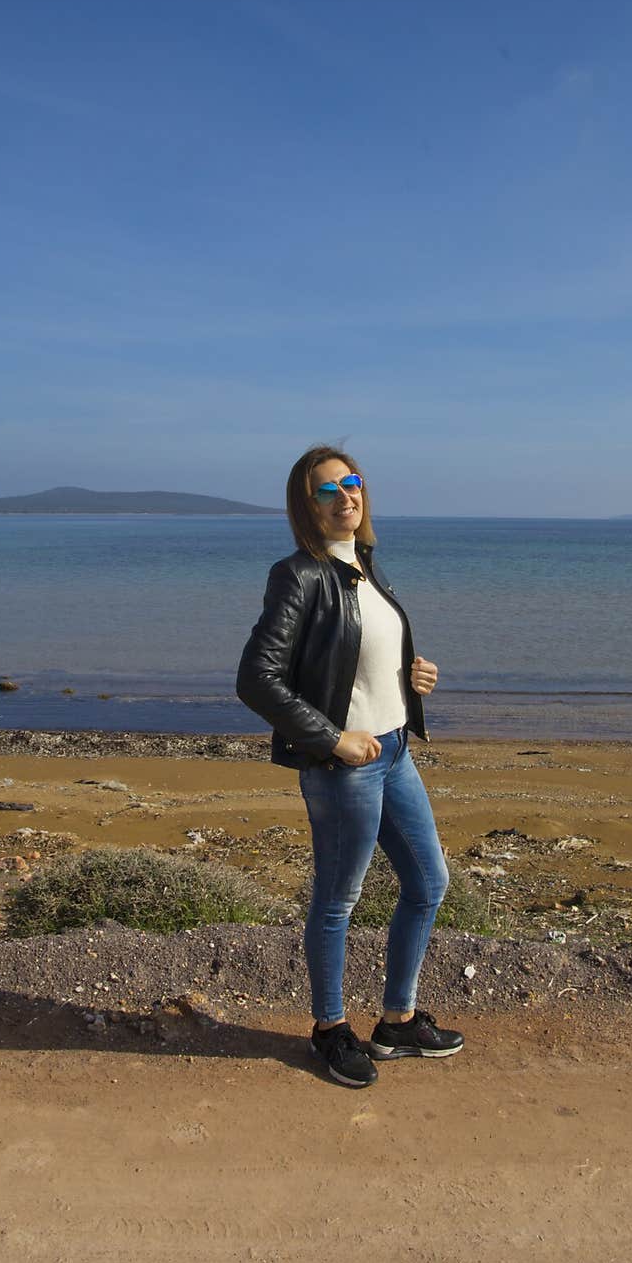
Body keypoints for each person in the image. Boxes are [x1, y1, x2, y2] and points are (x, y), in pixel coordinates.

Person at [236, 444, 463, 1088]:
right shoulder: (299, 574)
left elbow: (354, 661)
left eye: (352, 483)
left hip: (395, 754)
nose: (345, 497)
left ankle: (397, 1021)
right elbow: (257, 679)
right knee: (338, 902)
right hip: (347, 767)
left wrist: (412, 679)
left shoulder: (364, 565)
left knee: (428, 883)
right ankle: (331, 1030)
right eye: (327, 490)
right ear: (305, 507)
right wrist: (332, 740)